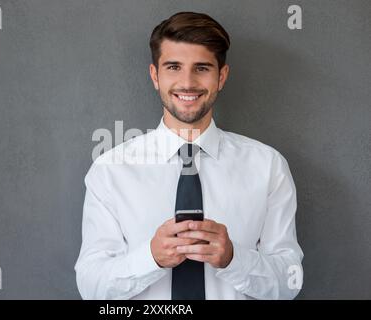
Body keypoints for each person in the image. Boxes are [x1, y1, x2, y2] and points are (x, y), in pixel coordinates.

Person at [74, 11, 303, 300]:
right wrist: (151, 258)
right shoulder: (109, 171)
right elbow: (92, 288)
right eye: (173, 67)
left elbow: (290, 282)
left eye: (202, 68)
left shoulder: (268, 167)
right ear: (155, 76)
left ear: (221, 77)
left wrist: (235, 259)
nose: (187, 82)